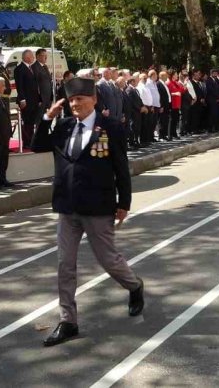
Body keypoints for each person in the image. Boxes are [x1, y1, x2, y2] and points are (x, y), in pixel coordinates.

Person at [32, 77, 144, 347]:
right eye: (71, 100)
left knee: (108, 260)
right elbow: (38, 145)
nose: (74, 104)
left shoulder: (111, 127)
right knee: (65, 264)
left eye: (79, 99)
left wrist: (124, 203)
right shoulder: (64, 125)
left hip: (98, 206)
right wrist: (47, 118)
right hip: (67, 206)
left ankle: (134, 285)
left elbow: (121, 166)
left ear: (93, 99)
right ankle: (68, 321)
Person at [14, 50, 41, 148]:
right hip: (26, 100)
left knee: (32, 122)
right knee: (27, 122)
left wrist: (39, 99)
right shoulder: (20, 69)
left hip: (33, 100)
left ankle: (32, 140)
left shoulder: (31, 68)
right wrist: (22, 99)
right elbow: (19, 86)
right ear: (27, 57)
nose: (33, 58)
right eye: (32, 56)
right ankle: (27, 142)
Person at [34, 48, 56, 112]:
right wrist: (39, 99)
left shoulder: (45, 66)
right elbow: (35, 85)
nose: (46, 57)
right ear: (38, 56)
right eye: (44, 55)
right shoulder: (34, 67)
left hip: (48, 98)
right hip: (41, 99)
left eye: (46, 56)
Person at [166, 70, 185, 140]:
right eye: (176, 74)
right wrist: (174, 94)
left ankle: (174, 133)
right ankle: (170, 134)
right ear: (172, 75)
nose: (177, 75)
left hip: (177, 104)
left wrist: (184, 84)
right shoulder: (169, 83)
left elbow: (182, 90)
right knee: (172, 120)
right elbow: (167, 93)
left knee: (175, 120)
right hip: (172, 104)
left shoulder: (176, 83)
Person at [155, 70, 172, 140]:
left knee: (165, 120)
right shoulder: (158, 84)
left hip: (167, 105)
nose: (167, 76)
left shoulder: (164, 84)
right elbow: (159, 96)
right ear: (161, 76)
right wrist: (161, 106)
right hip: (163, 106)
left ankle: (165, 135)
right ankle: (161, 136)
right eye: (166, 75)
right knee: (162, 121)